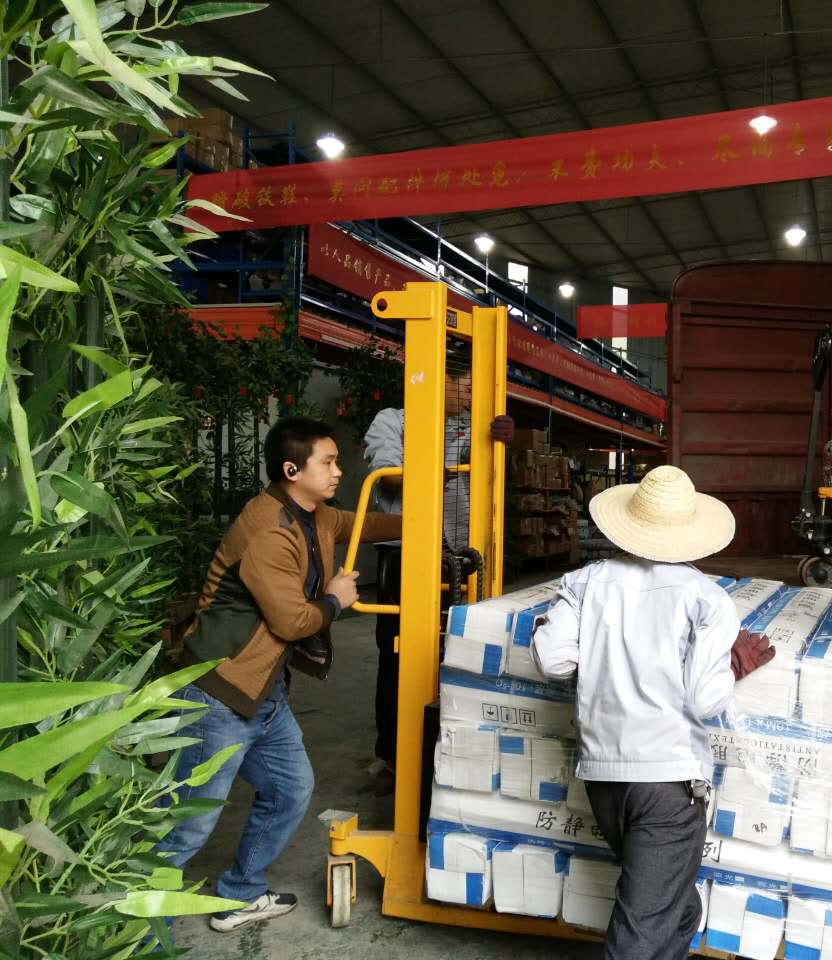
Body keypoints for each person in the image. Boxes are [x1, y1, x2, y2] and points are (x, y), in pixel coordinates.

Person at [159, 417, 402, 932]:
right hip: (221, 693)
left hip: (262, 695)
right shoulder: (269, 529)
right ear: (293, 470)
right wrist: (336, 599)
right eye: (328, 462)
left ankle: (240, 894)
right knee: (189, 820)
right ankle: (133, 932)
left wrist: (423, 516)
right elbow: (291, 621)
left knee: (290, 790)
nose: (338, 471)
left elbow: (357, 524)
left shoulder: (313, 515)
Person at [531, 465, 775, 960]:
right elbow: (705, 700)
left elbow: (551, 659)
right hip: (667, 788)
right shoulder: (706, 599)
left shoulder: (586, 583)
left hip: (604, 779)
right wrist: (730, 667)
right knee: (638, 935)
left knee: (678, 909)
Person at [362, 362, 514, 770]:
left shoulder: (470, 427)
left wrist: (499, 443)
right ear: (441, 379)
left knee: (457, 650)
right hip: (406, 555)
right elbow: (389, 476)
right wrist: (437, 470)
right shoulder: (393, 421)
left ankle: (448, 745)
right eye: (466, 385)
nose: (471, 395)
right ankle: (393, 753)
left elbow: (489, 474)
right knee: (398, 656)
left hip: (460, 557)